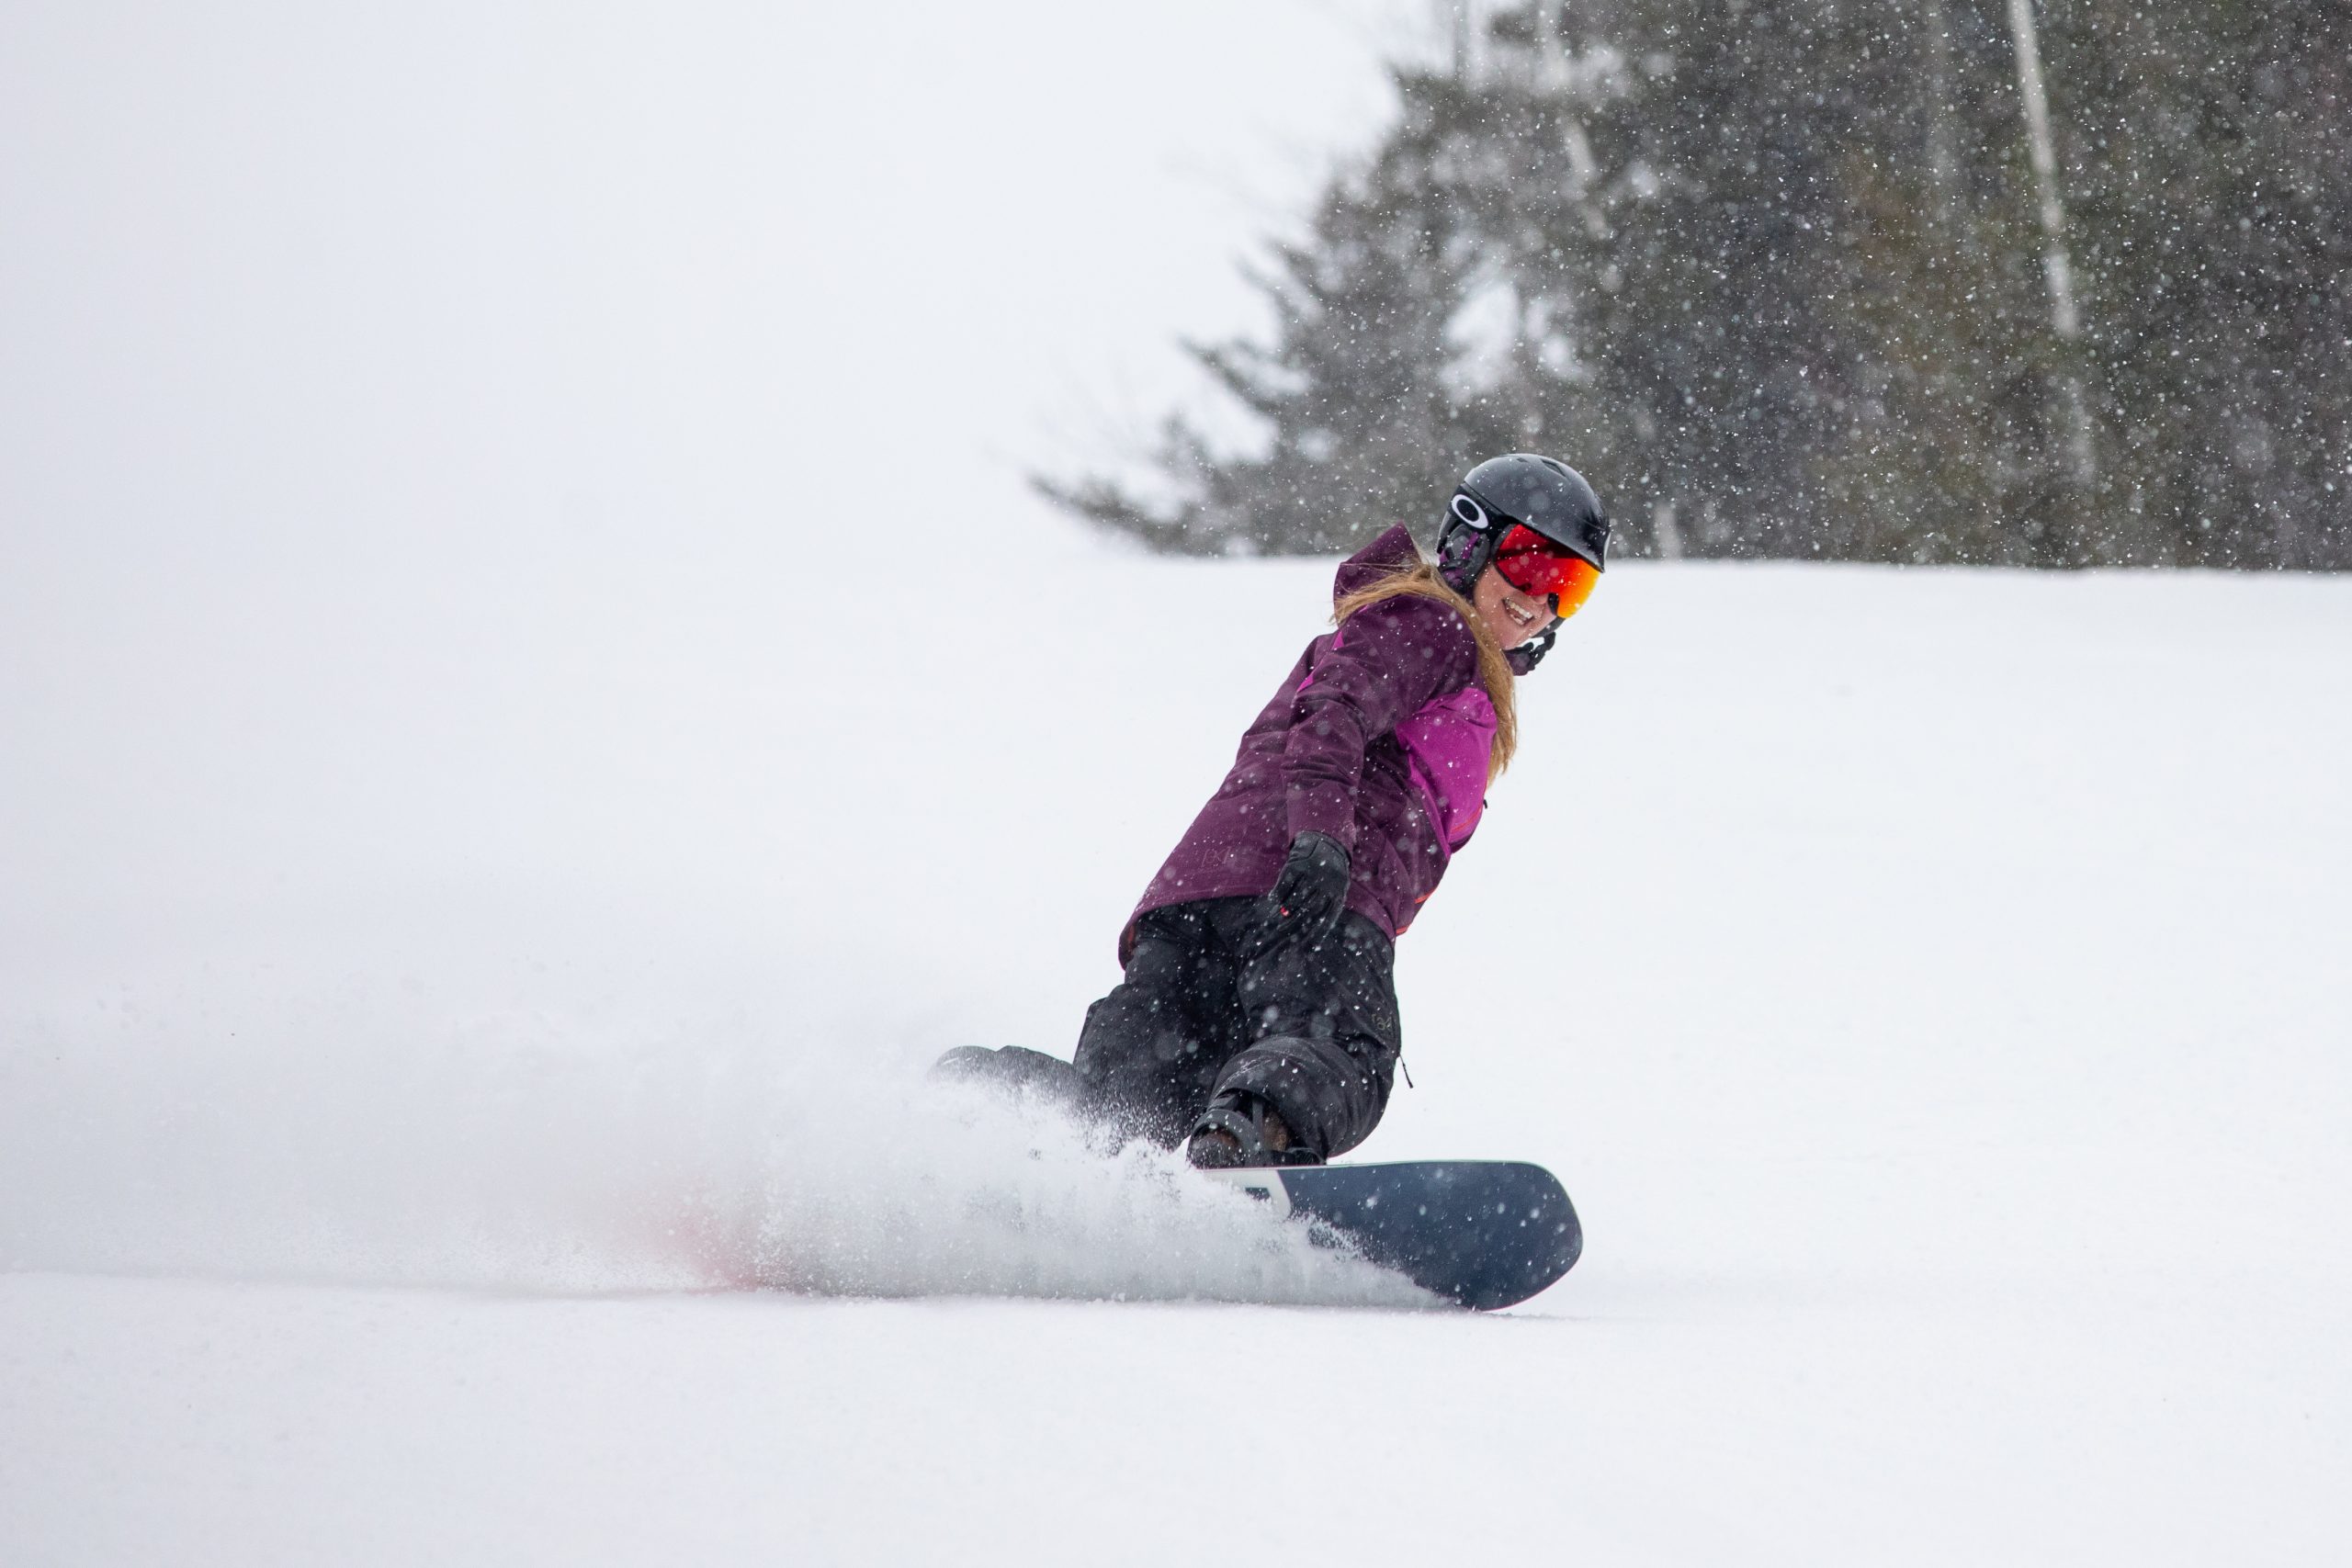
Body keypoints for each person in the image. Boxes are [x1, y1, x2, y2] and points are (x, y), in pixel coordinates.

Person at [936, 455, 1610, 1168]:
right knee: (1344, 1052)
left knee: (1128, 1114)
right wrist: (1321, 838)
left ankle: (979, 1108)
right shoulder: (1435, 627)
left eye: (1571, 585)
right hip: (1311, 899)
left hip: (1199, 904)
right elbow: (1333, 712)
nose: (1542, 600)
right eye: (1531, 563)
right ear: (1470, 542)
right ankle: (1247, 1141)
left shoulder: (1423, 650)